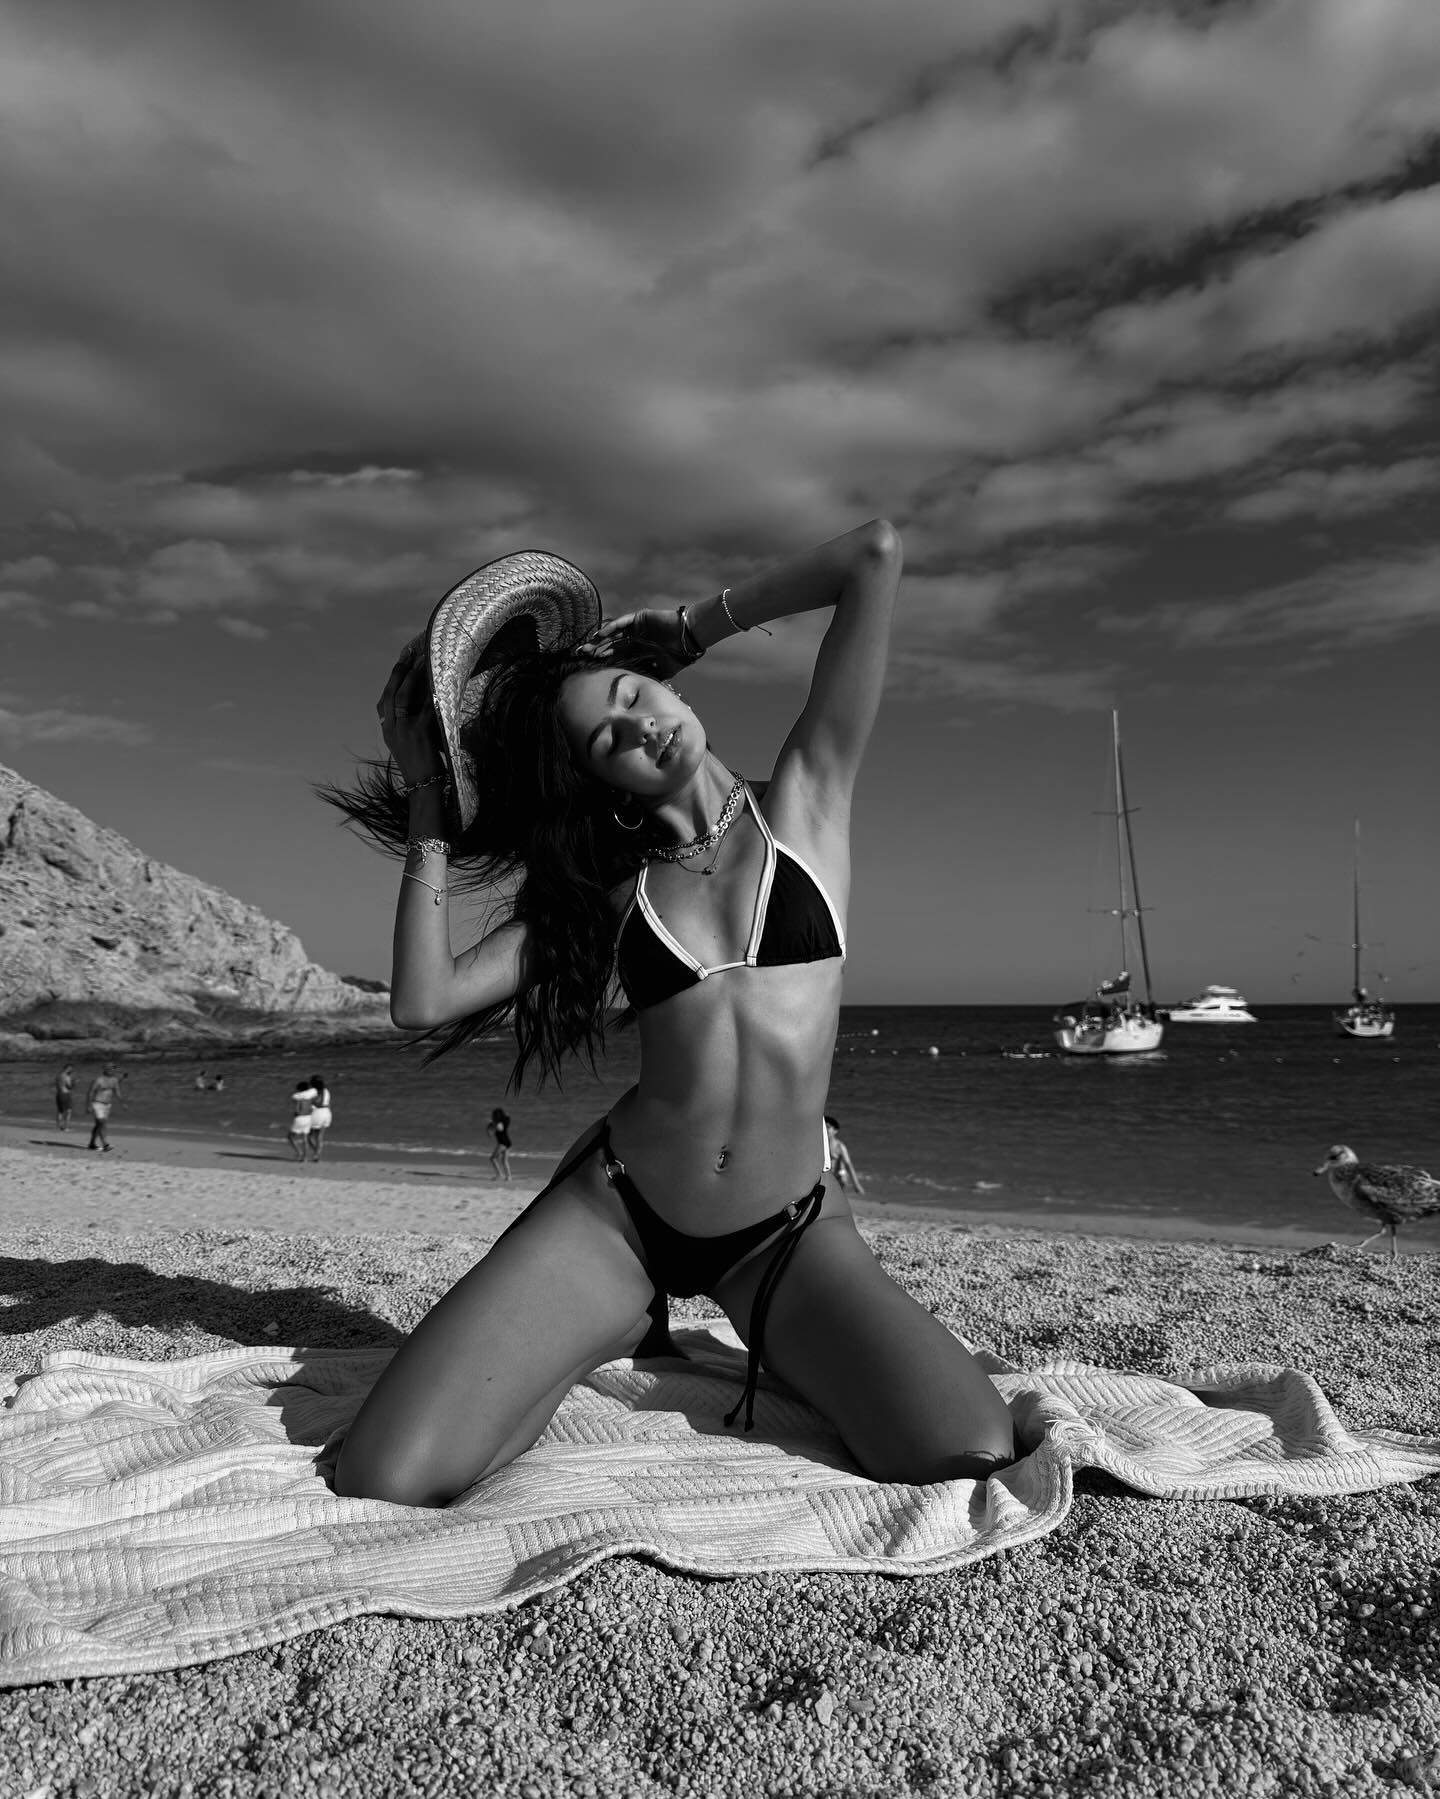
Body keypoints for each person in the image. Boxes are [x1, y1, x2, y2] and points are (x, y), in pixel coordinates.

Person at [326, 526, 1014, 1508]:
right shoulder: (614, 895)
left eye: (632, 695)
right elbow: (422, 999)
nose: (640, 727)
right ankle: (609, 1318)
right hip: (621, 1215)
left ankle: (654, 1329)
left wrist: (696, 625)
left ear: (672, 689)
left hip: (785, 1233)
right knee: (387, 1476)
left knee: (966, 1451)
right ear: (604, 783)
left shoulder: (807, 804)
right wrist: (429, 802)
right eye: (609, 739)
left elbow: (874, 554)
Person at [825, 1115, 864, 1195]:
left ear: (835, 1131)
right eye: (823, 1127)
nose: (825, 1129)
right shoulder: (819, 1145)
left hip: (837, 1177)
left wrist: (856, 1185)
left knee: (842, 1175)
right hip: (825, 1175)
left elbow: (848, 1165)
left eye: (828, 1127)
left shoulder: (839, 1146)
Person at [86, 1064, 121, 1152]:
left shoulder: (114, 1080)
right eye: (109, 1069)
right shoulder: (98, 1080)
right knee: (101, 1123)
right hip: (97, 1103)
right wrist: (89, 1105)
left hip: (107, 1105)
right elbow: (90, 1092)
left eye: (113, 1069)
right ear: (105, 1069)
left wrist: (123, 1102)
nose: (111, 1070)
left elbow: (117, 1091)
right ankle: (105, 1144)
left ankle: (91, 1144)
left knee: (99, 1125)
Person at [288, 1079, 316, 1163]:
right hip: (308, 1118)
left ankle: (299, 1152)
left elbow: (297, 1110)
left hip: (300, 1118)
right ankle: (305, 1158)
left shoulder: (299, 1098)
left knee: (290, 1137)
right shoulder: (310, 1098)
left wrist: (295, 1114)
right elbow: (312, 1109)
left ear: (300, 1089)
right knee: (305, 1138)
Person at [307, 1075, 332, 1162]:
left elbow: (318, 1102)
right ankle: (317, 1154)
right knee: (320, 1136)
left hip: (317, 1113)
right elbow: (328, 1103)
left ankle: (316, 1153)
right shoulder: (326, 1091)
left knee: (309, 1136)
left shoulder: (314, 1091)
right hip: (327, 1112)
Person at [486, 1107, 514, 1182]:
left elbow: (500, 1128)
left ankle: (499, 1175)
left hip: (502, 1143)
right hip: (508, 1142)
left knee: (493, 1158)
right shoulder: (505, 1121)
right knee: (504, 1160)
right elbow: (507, 1116)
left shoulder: (498, 1123)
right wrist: (490, 1127)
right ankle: (509, 1177)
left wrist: (492, 1125)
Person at [55, 1063, 75, 1130]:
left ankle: (59, 1126)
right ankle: (66, 1127)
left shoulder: (58, 1076)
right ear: (68, 1069)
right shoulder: (66, 1076)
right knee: (68, 1111)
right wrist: (74, 1082)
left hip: (59, 1094)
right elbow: (69, 1086)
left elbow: (58, 1085)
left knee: (60, 1111)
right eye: (71, 1069)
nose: (72, 1071)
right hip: (65, 1094)